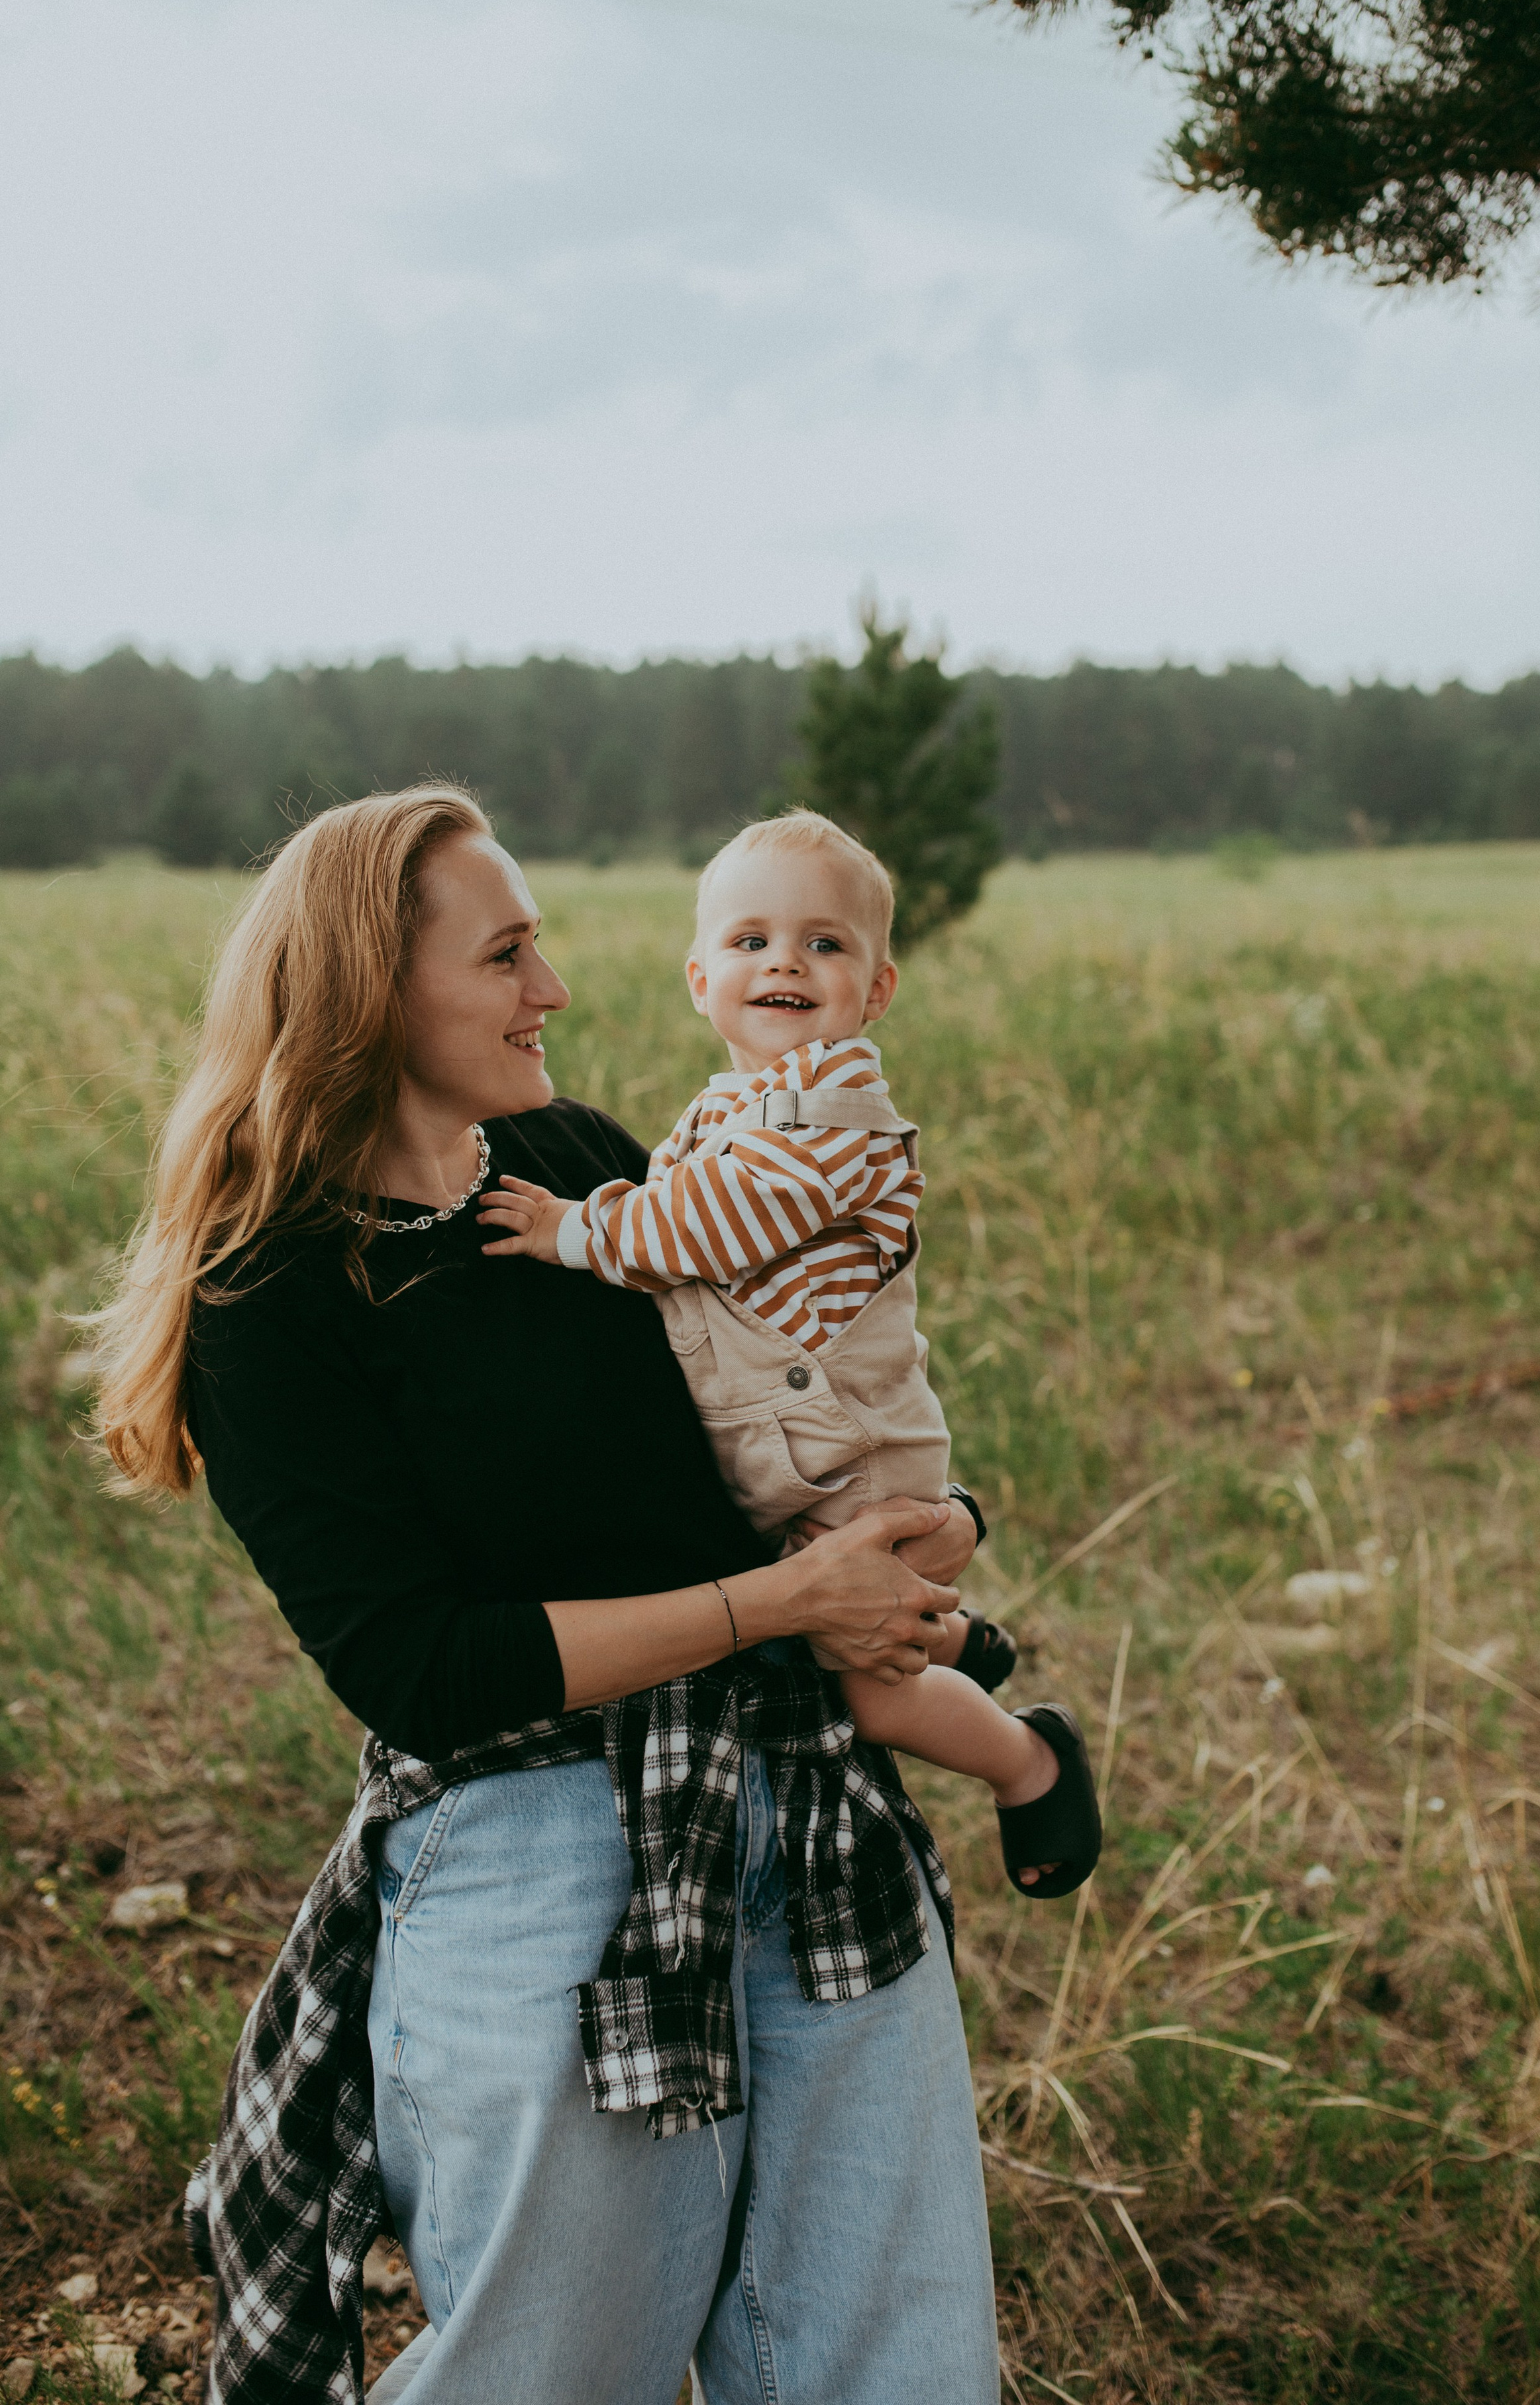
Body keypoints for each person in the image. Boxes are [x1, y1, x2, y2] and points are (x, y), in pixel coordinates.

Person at [93, 786, 1003, 2405]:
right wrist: (785, 1604)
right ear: (377, 991)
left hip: (800, 1802)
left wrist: (904, 1537)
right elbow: (427, 1669)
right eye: (508, 956)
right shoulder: (270, 1293)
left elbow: (761, 1399)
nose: (554, 994)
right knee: (553, 2370)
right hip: (534, 1844)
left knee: (889, 2363)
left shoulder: (574, 1164)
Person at [480, 810, 1101, 1899]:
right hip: (783, 1461)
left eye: (825, 944)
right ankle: (951, 1637)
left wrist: (568, 1230)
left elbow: (701, 1232)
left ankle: (1028, 1759)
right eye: (750, 940)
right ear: (698, 978)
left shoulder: (836, 1122)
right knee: (833, 1627)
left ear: (877, 990)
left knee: (871, 1697)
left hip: (851, 1458)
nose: (785, 962)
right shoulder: (730, 1107)